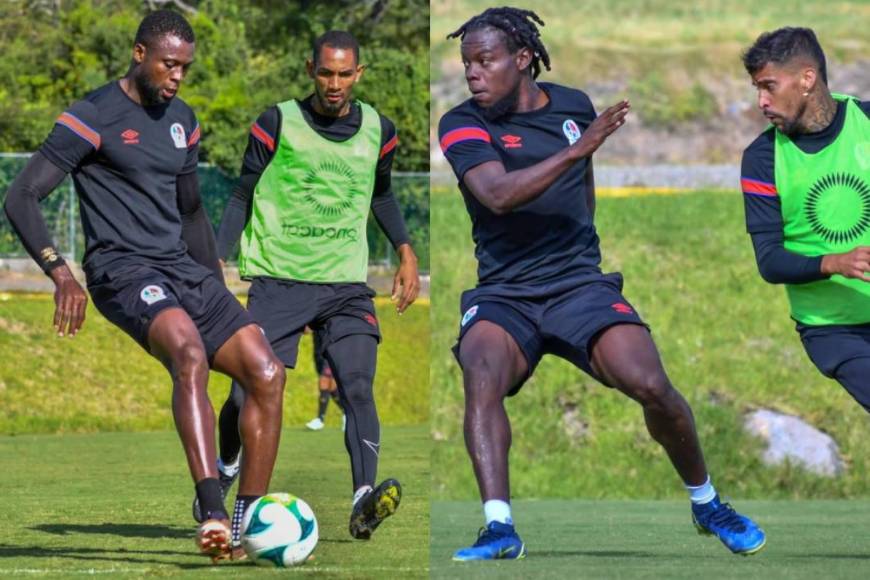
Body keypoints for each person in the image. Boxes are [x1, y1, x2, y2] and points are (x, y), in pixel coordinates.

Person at [438, 7, 766, 561]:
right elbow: (496, 195)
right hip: (504, 292)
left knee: (651, 384)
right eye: (467, 62)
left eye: (485, 60)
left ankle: (708, 504)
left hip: (577, 286)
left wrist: (582, 254)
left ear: (523, 59)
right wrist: (577, 149)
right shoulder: (461, 123)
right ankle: (499, 528)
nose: (472, 72)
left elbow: (582, 187)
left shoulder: (573, 106)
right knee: (482, 369)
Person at [2, 10, 286, 563]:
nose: (177, 76)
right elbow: (22, 195)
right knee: (188, 352)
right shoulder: (92, 115)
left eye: (185, 67)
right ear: (139, 54)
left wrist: (215, 287)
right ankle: (211, 511)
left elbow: (191, 211)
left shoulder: (184, 119)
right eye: (168, 64)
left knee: (267, 373)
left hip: (182, 268)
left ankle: (244, 525)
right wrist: (60, 272)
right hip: (122, 271)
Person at [200, 30, 420, 548]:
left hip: (345, 284)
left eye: (344, 74)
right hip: (279, 279)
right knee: (244, 393)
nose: (334, 84)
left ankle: (363, 499)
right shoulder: (277, 122)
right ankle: (227, 463)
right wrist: (216, 258)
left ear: (359, 73)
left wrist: (406, 250)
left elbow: (381, 195)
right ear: (310, 70)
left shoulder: (380, 131)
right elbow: (242, 194)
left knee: (357, 385)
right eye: (326, 73)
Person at [740, 28, 870, 410]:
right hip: (835, 331)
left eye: (769, 86)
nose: (762, 102)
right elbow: (770, 261)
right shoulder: (762, 159)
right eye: (757, 89)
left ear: (807, 79)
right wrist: (833, 263)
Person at [306, 327, 346, 431]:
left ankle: (320, 419)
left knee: (324, 381)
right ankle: (347, 412)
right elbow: (307, 330)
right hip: (318, 351)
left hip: (331, 349)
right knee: (331, 388)